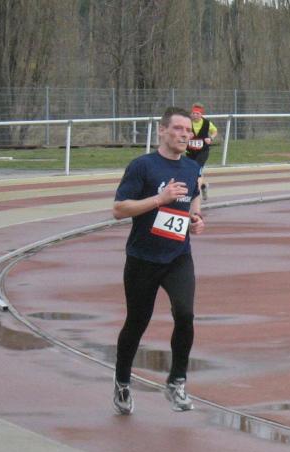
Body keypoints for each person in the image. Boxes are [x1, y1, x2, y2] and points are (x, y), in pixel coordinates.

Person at [111, 106, 206, 415]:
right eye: (178, 128)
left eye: (188, 130)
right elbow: (119, 209)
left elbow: (194, 195)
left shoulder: (191, 167)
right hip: (143, 258)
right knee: (137, 322)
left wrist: (196, 217)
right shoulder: (142, 166)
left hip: (178, 256)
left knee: (185, 314)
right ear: (162, 131)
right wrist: (159, 200)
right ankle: (122, 382)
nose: (184, 134)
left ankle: (177, 381)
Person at [186, 103, 217, 202]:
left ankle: (195, 194)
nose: (195, 115)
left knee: (197, 168)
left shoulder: (207, 123)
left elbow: (214, 131)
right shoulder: (187, 122)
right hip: (190, 151)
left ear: (201, 114)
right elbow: (182, 133)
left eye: (197, 113)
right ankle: (203, 186)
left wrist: (210, 138)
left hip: (203, 151)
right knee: (192, 171)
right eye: (193, 113)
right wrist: (187, 134)